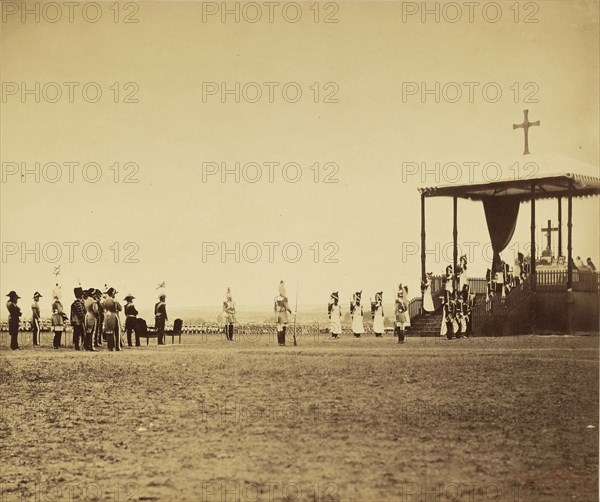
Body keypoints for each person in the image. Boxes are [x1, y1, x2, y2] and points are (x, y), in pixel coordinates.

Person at [274, 281, 292, 346]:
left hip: (277, 315)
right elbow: (287, 307)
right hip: (283, 315)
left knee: (279, 328)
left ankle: (279, 342)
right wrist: (291, 311)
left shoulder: (275, 298)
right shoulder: (285, 298)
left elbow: (274, 308)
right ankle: (283, 342)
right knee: (283, 328)